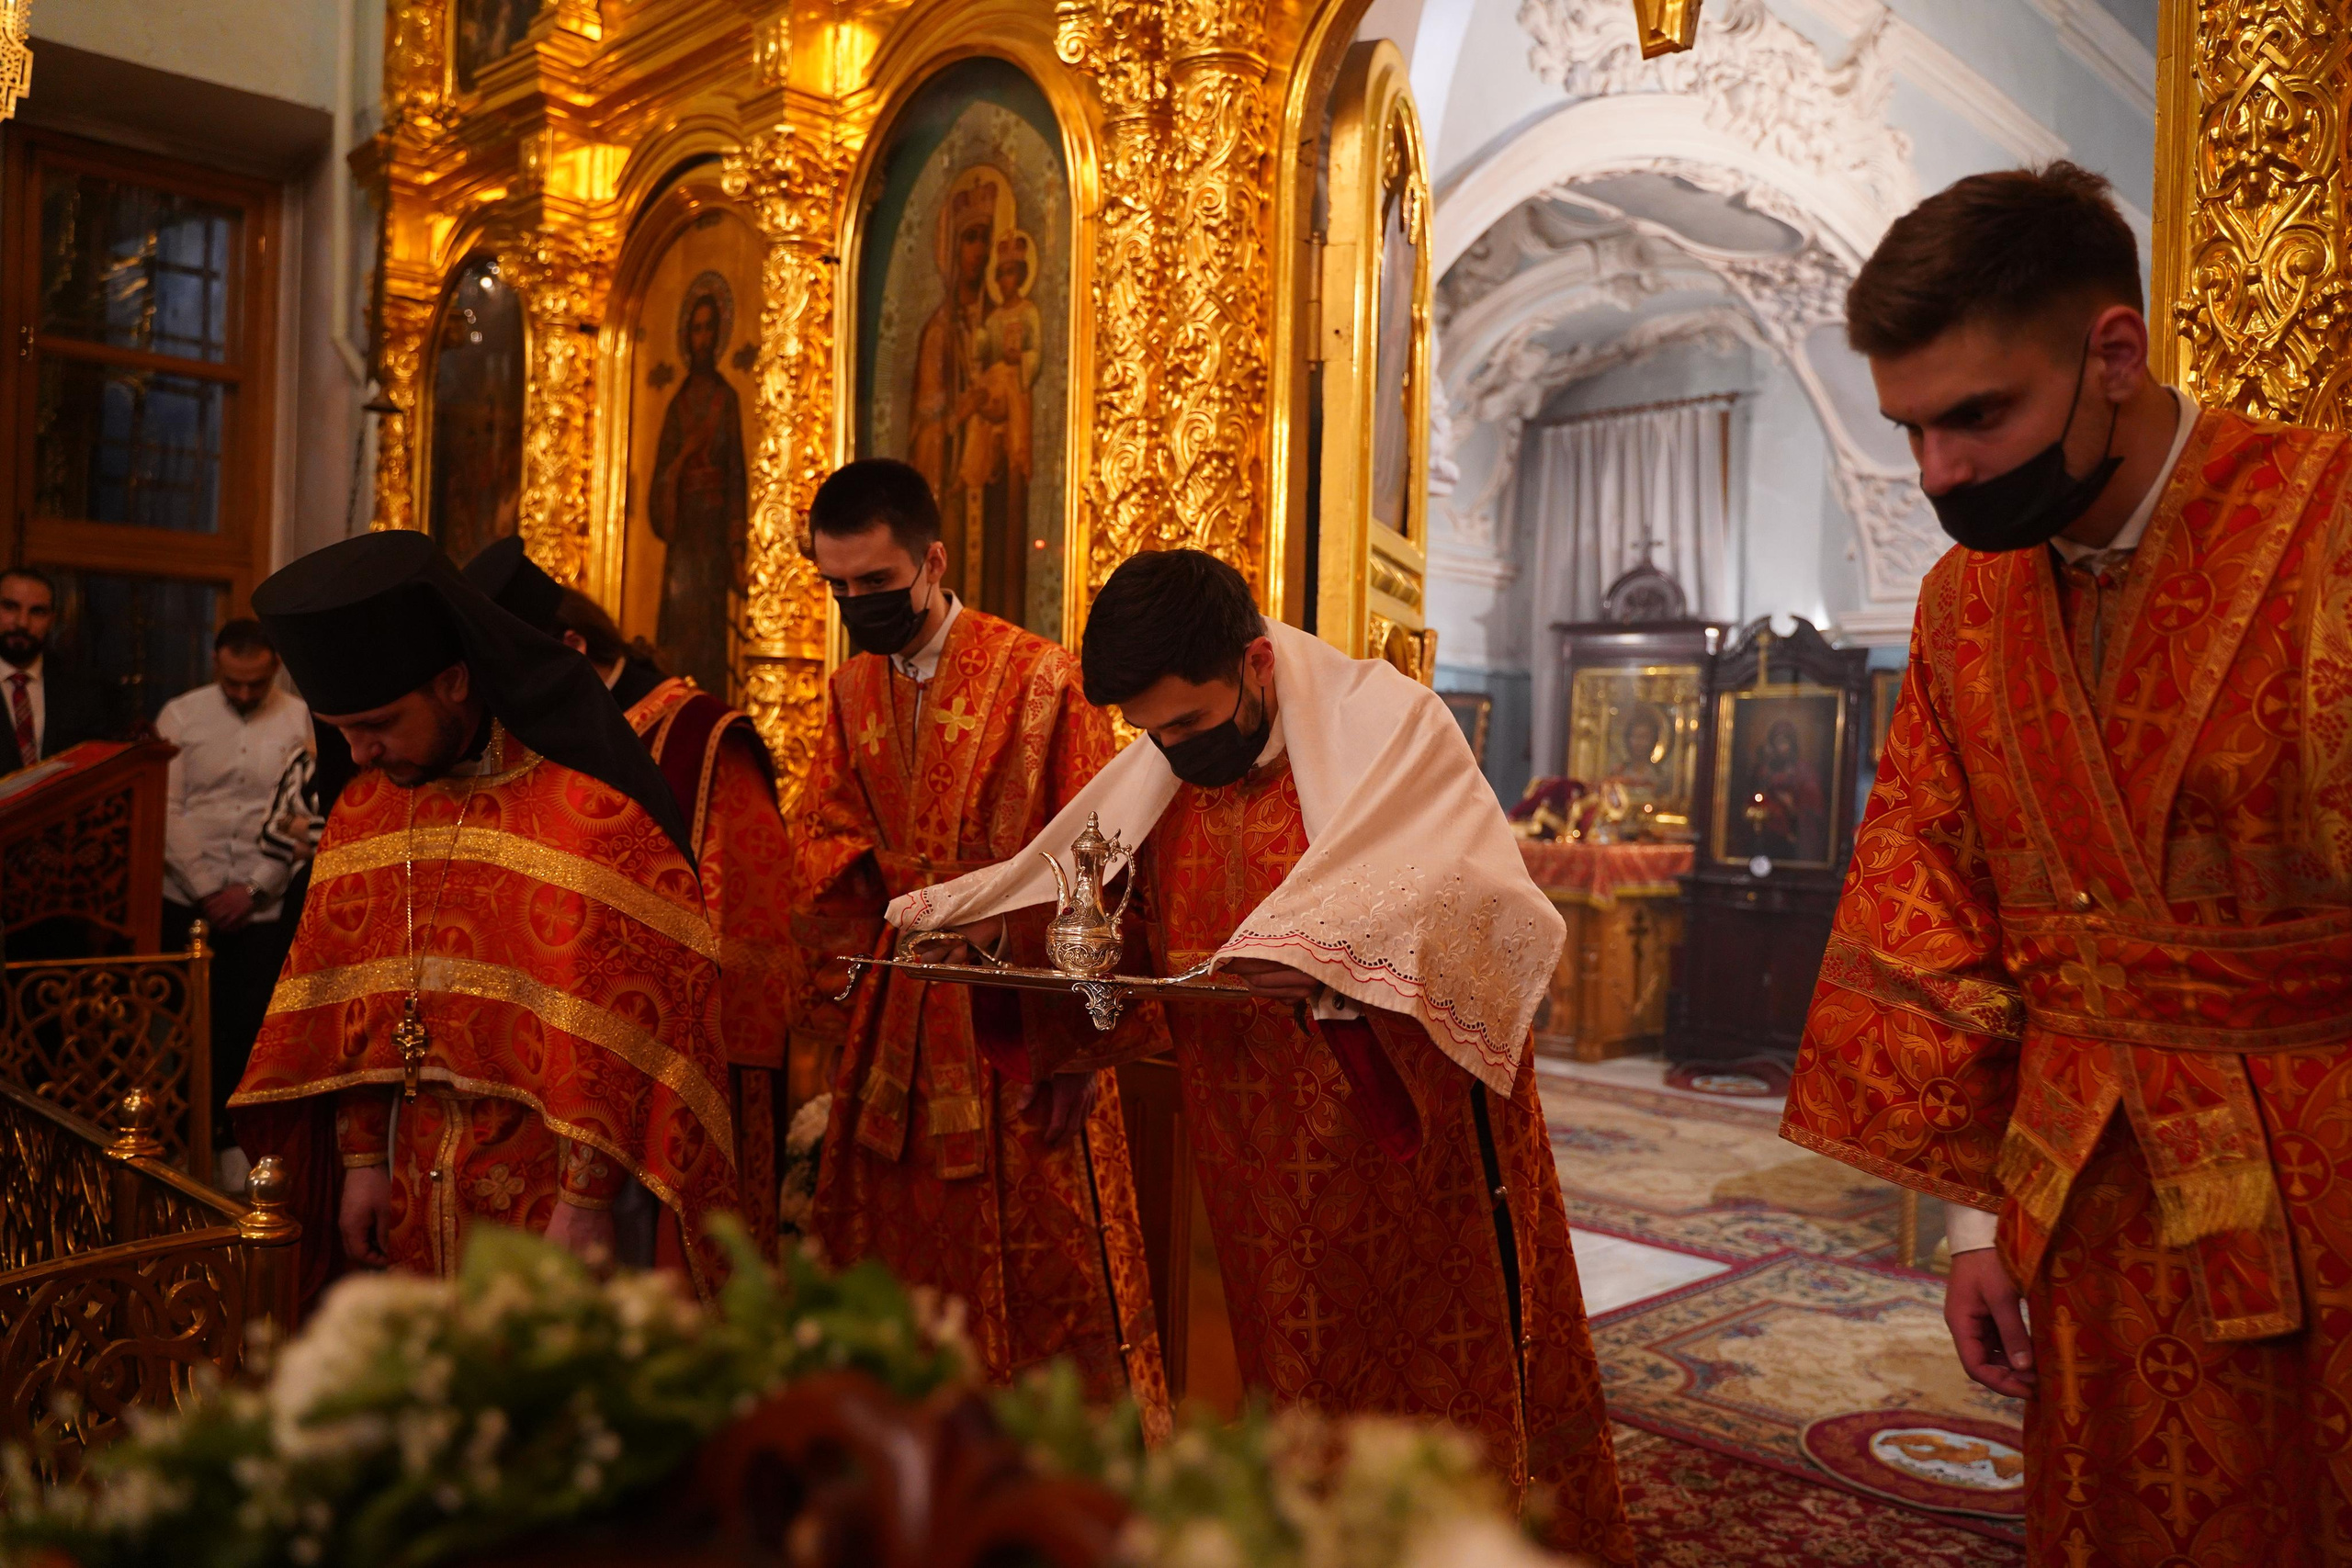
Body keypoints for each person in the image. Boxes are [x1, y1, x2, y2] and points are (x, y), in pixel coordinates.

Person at [1781, 161, 2352, 1565]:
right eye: (1911, 429)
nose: (1939, 473)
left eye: (1978, 416)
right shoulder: (1963, 601)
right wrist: (1975, 1224)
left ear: (2112, 353)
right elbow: (1939, 909)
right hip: (2082, 1201)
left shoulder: (2330, 523)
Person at [897, 549, 1633, 1562]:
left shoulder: (1393, 730)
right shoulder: (1167, 775)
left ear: (1254, 663)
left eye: (1187, 722)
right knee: (1289, 1395)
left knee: (1429, 1409)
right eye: (1151, 733)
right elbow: (1130, 940)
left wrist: (1338, 959)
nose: (1170, 750)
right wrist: (1016, 955)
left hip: (1411, 1167)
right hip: (1250, 1160)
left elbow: (1489, 914)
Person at [232, 531, 736, 1305]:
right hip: (409, 1176)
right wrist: (362, 1161)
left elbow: (630, 1036)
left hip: (552, 1203)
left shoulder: (586, 814)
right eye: (340, 730)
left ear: (455, 681)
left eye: (378, 723)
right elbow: (346, 1005)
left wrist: (585, 1202)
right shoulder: (367, 810)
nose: (359, 754)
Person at [787, 458, 1170, 1434]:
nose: (856, 605)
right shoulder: (851, 687)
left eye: (875, 581)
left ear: (933, 561)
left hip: (1016, 1017)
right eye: (836, 586)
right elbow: (827, 834)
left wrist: (1075, 1045)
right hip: (895, 1022)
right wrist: (848, 910)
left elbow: (1102, 865)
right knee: (890, 1273)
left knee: (1048, 1273)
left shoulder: (1041, 679)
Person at [464, 536, 798, 1258]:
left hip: (674, 1048)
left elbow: (748, 915)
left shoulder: (699, 736)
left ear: (574, 647)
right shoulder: (533, 736)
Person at [156, 619, 315, 1156]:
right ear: (215, 663)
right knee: (186, 1028)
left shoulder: (300, 718)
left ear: (276, 666)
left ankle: (237, 1150)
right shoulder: (181, 715)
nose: (244, 695)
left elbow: (304, 814)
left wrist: (252, 890)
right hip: (186, 898)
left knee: (251, 1030)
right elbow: (167, 808)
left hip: (264, 907)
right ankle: (184, 1147)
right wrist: (207, 889)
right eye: (233, 684)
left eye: (256, 684)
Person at [646, 288, 749, 698]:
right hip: (684, 535)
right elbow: (661, 475)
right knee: (680, 626)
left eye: (709, 329)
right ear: (687, 337)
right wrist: (682, 461)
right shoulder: (678, 407)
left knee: (710, 632)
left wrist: (737, 548)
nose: (703, 339)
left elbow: (737, 474)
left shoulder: (728, 400)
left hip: (715, 537)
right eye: (697, 330)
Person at [0, 566, 111, 773]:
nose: (22, 622)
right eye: (10, 607)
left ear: (51, 620)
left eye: (37, 612)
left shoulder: (83, 690)